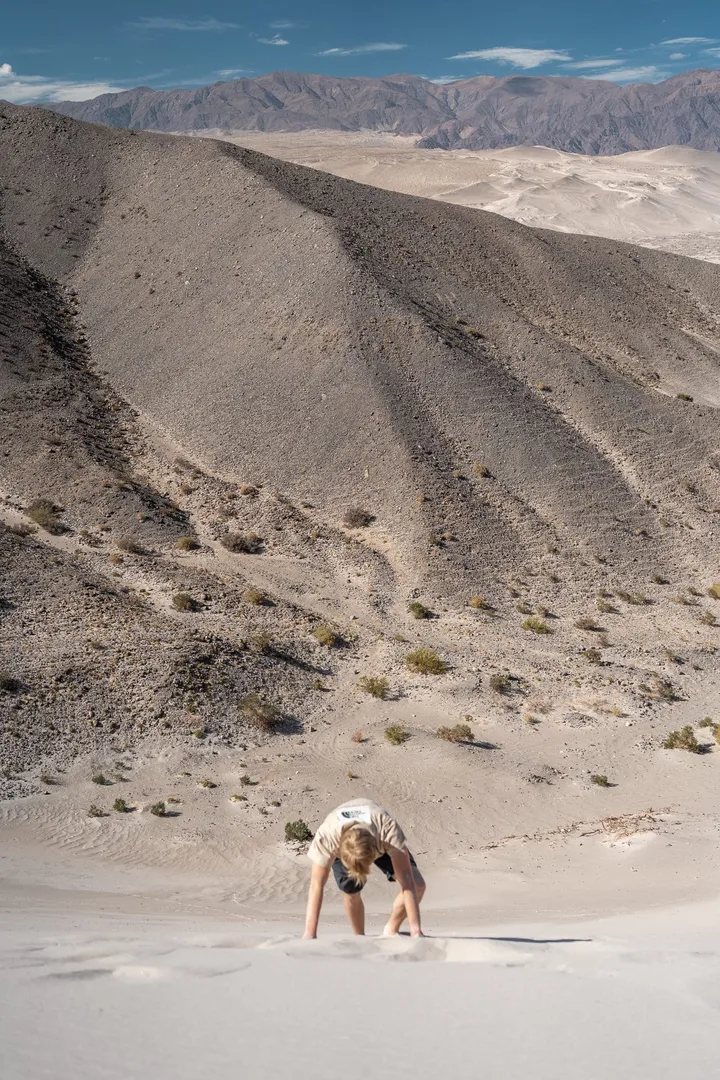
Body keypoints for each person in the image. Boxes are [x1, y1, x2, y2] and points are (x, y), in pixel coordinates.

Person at [302, 797, 425, 939]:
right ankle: (359, 938)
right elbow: (316, 885)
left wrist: (416, 930)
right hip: (340, 839)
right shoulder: (327, 837)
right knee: (351, 890)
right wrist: (309, 934)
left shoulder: (387, 829)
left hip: (379, 836)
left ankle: (391, 929)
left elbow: (407, 879)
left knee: (417, 885)